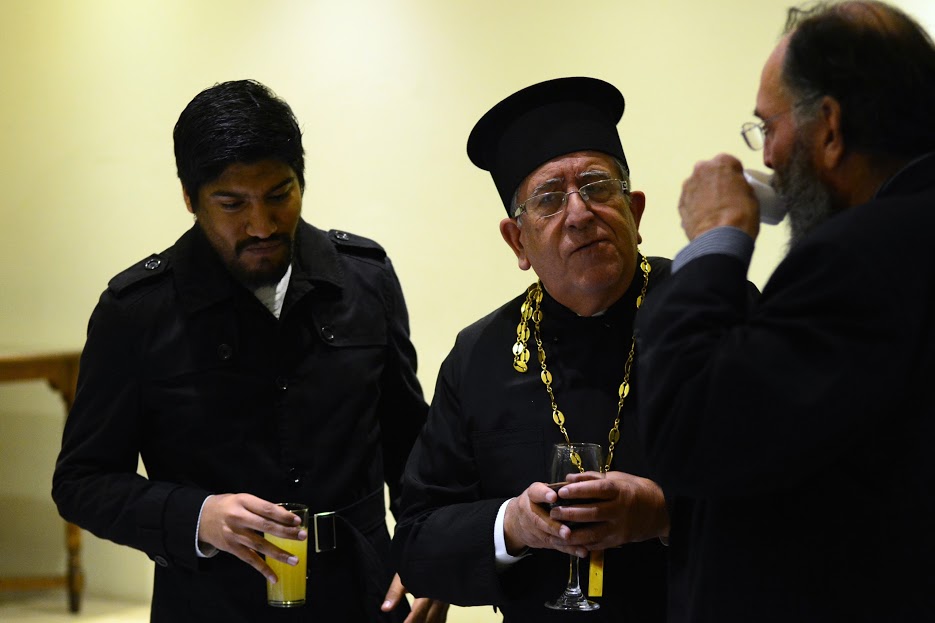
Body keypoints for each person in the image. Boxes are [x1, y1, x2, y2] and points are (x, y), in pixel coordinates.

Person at [52, 79, 445, 623]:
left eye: (279, 195)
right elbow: (82, 481)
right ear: (190, 199)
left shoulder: (365, 279)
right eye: (232, 204)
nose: (261, 225)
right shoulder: (136, 311)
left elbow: (411, 449)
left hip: (362, 594)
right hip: (211, 601)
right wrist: (198, 516)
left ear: (301, 182)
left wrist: (432, 556)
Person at [633, 2, 935, 621]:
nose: (767, 157)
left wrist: (716, 236)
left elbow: (689, 429)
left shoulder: (859, 257)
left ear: (829, 127)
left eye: (768, 127)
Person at [391, 77, 672, 622]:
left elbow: (801, 486)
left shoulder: (711, 309)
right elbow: (417, 542)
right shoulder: (479, 355)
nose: (580, 213)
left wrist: (664, 513)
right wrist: (512, 526)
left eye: (597, 187)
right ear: (517, 240)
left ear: (635, 211)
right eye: (549, 199)